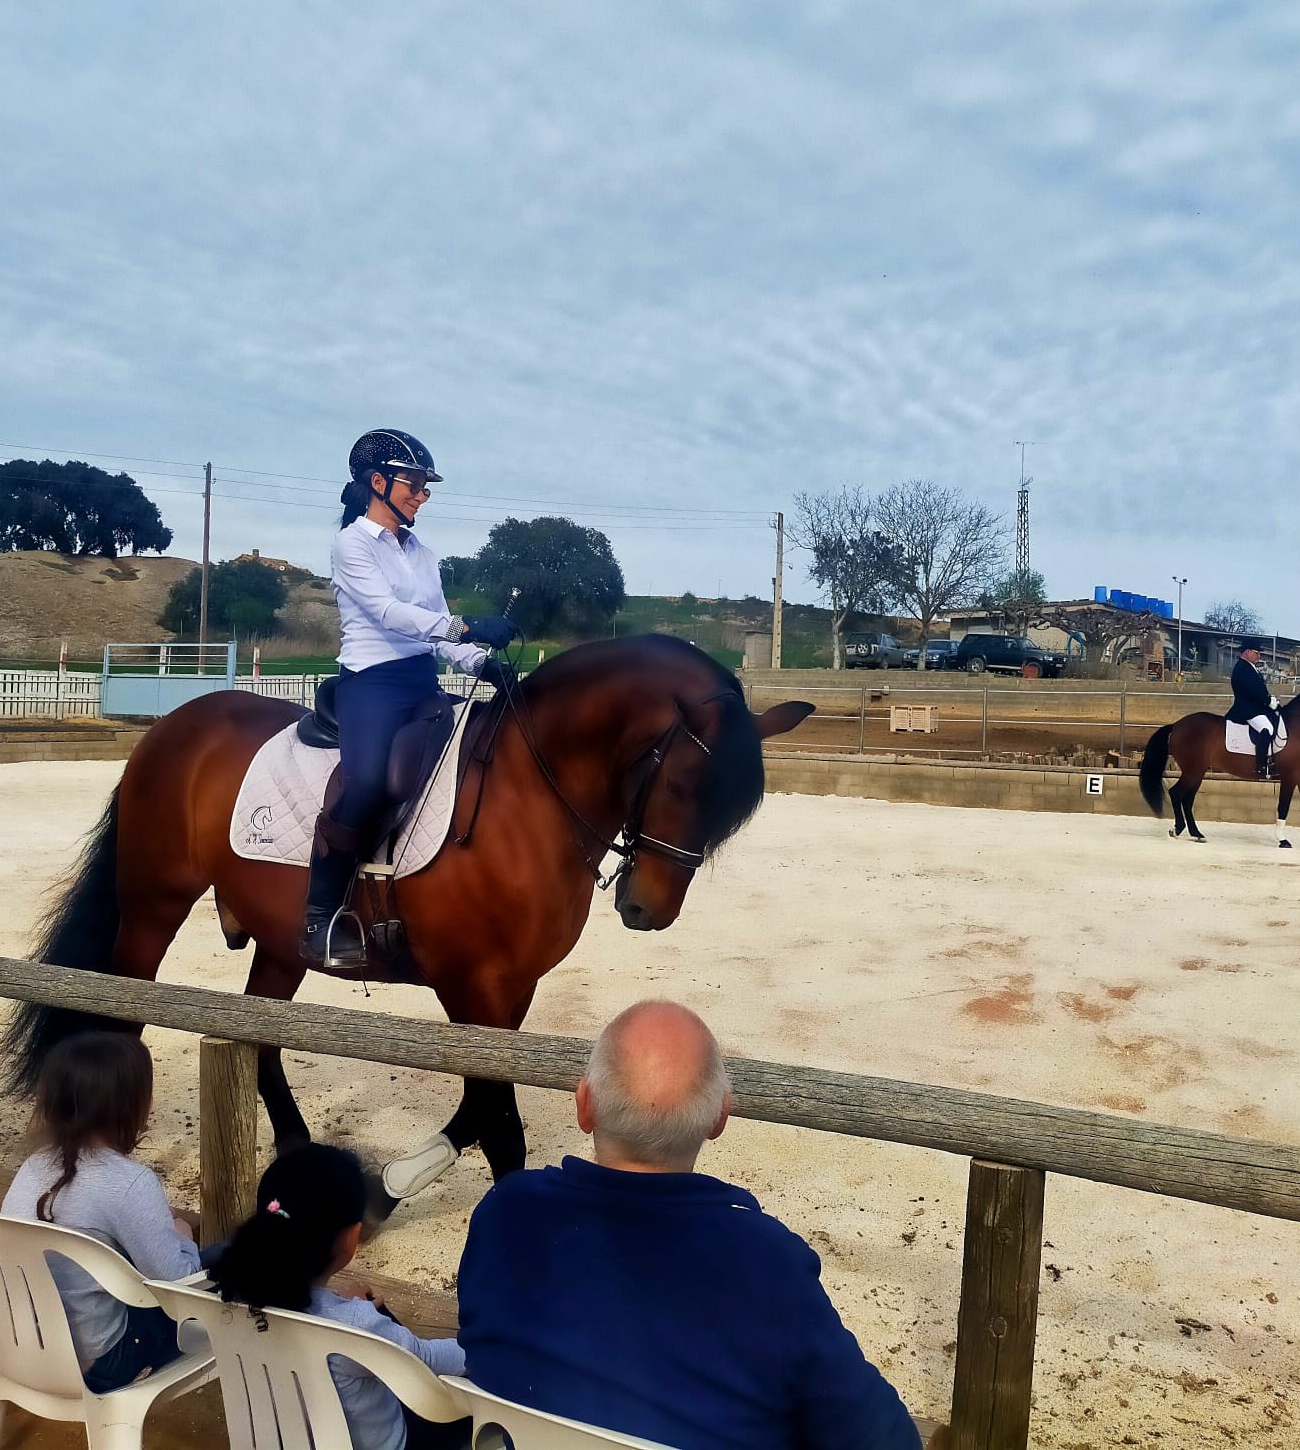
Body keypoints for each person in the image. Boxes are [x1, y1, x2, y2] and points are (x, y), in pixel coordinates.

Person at [457, 1000, 920, 1450]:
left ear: (583, 1106)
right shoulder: (767, 1262)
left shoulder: (505, 1211)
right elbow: (886, 1439)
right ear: (720, 1117)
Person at [305, 430, 519, 969]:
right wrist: (468, 624)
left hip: (421, 681)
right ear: (378, 483)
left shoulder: (422, 552)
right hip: (372, 682)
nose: (422, 495)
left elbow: (436, 635)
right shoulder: (351, 544)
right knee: (371, 781)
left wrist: (480, 662)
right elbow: (388, 614)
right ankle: (319, 913)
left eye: (426, 487)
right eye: (415, 484)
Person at [208, 1143, 469, 1450]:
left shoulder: (230, 1291)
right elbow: (429, 1360)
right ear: (351, 1238)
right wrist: (486, 1348)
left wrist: (344, 1306)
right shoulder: (357, 1324)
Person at [0, 1031, 202, 1392]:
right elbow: (178, 1284)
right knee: (220, 1263)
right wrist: (183, 1235)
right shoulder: (130, 1182)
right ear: (134, 1104)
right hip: (99, 1361)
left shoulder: (33, 1166)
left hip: (21, 1345)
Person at [1226, 642, 1280, 780]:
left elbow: (1259, 689)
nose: (1259, 656)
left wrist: (1270, 699)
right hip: (1247, 710)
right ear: (1247, 652)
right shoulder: (1242, 669)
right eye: (1256, 653)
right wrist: (1268, 701)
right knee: (1266, 728)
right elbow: (1252, 691)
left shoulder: (1250, 668)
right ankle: (1261, 767)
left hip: (1256, 708)